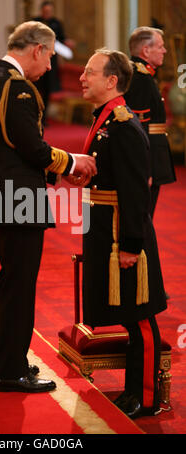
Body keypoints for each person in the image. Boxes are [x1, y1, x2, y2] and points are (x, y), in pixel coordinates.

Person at [0, 21, 96, 393]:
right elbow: (30, 147)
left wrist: (59, 169)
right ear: (37, 49)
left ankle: (0, 360)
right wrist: (72, 163)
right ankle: (12, 370)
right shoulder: (15, 86)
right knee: (20, 286)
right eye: (51, 56)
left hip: (3, 198)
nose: (51, 65)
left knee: (10, 283)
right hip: (17, 201)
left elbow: (17, 149)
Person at [79, 48, 167, 418]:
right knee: (129, 315)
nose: (82, 77)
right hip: (106, 231)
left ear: (111, 81)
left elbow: (135, 191)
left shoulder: (123, 124)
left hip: (123, 237)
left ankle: (145, 398)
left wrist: (132, 246)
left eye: (90, 72)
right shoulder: (106, 120)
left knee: (140, 318)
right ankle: (133, 392)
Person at [125, 26, 176, 217]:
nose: (164, 51)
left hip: (151, 153)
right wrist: (144, 168)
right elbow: (138, 128)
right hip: (148, 155)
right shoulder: (141, 78)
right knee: (142, 218)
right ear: (146, 50)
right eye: (160, 47)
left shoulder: (141, 74)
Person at [33, 0, 75, 121]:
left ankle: (44, 118)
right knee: (35, 88)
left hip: (51, 62)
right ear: (41, 11)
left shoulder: (57, 23)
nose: (47, 13)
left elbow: (62, 39)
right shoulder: (35, 22)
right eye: (45, 11)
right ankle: (34, 116)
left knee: (47, 90)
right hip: (36, 60)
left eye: (49, 11)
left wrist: (67, 43)